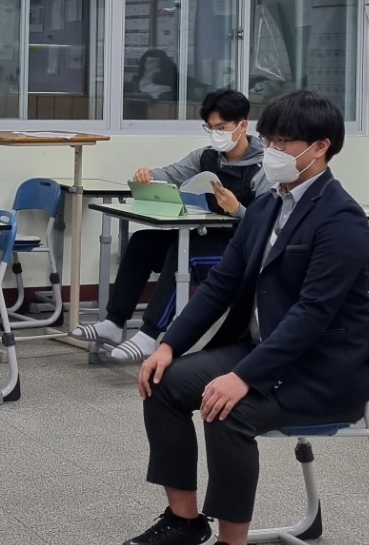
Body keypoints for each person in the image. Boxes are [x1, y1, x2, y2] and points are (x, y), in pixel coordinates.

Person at [119, 89, 369, 545]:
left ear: (320, 146)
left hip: (316, 369)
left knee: (225, 406)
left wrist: (243, 377)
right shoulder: (266, 208)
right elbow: (219, 286)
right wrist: (169, 345)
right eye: (269, 140)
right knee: (163, 382)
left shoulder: (341, 218)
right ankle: (186, 522)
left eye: (284, 143)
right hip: (260, 351)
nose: (272, 151)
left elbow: (312, 315)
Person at [72, 89, 266, 364]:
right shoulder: (206, 157)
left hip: (243, 250)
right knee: (144, 242)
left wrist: (237, 210)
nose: (216, 134)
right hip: (209, 235)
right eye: (210, 128)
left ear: (243, 125)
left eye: (222, 128)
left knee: (185, 252)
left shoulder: (263, 168)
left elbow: (266, 227)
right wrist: (149, 175)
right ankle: (114, 323)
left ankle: (149, 335)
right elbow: (171, 173)